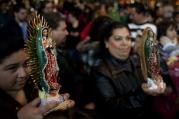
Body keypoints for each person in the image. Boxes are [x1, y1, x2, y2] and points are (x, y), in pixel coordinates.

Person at [91, 21, 166, 119]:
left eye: (128, 38)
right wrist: (143, 94)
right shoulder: (100, 71)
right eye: (118, 39)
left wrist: (158, 83)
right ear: (106, 42)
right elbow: (112, 108)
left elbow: (153, 77)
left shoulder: (137, 60)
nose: (125, 43)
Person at [0, 23, 74, 119]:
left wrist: (49, 104)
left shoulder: (32, 82)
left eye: (26, 64)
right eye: (12, 68)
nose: (23, 74)